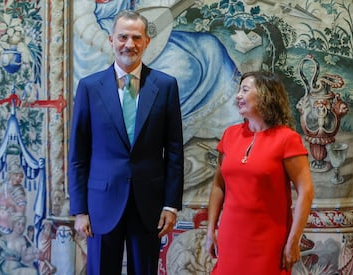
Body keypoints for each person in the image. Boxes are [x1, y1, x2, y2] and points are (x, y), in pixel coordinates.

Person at [68, 9, 184, 275]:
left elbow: (175, 151)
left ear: (146, 41)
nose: (129, 44)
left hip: (149, 206)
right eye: (122, 37)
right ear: (111, 40)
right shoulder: (89, 87)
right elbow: (78, 154)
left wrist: (170, 204)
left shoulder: (165, 86)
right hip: (101, 205)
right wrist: (80, 209)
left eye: (136, 37)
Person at [205, 71, 314, 274]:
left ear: (266, 95)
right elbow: (218, 185)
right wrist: (211, 230)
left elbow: (305, 191)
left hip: (269, 239)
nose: (238, 95)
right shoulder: (230, 135)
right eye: (239, 90)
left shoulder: (287, 139)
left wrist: (294, 240)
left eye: (245, 90)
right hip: (231, 236)